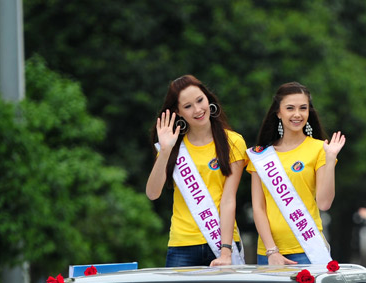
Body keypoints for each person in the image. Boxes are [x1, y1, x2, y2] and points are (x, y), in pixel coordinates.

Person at [146, 75, 246, 268]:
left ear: (208, 98)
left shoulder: (233, 142)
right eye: (188, 106)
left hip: (222, 241)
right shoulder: (174, 147)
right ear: (178, 112)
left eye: (200, 100)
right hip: (182, 243)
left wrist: (225, 251)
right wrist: (165, 151)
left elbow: (228, 199)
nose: (198, 110)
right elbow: (152, 193)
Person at [247, 82, 345, 265]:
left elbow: (324, 203)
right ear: (278, 112)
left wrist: (330, 160)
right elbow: (258, 207)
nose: (297, 114)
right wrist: (272, 251)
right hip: (269, 252)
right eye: (290, 108)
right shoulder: (261, 156)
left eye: (303, 108)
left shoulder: (319, 149)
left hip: (308, 249)